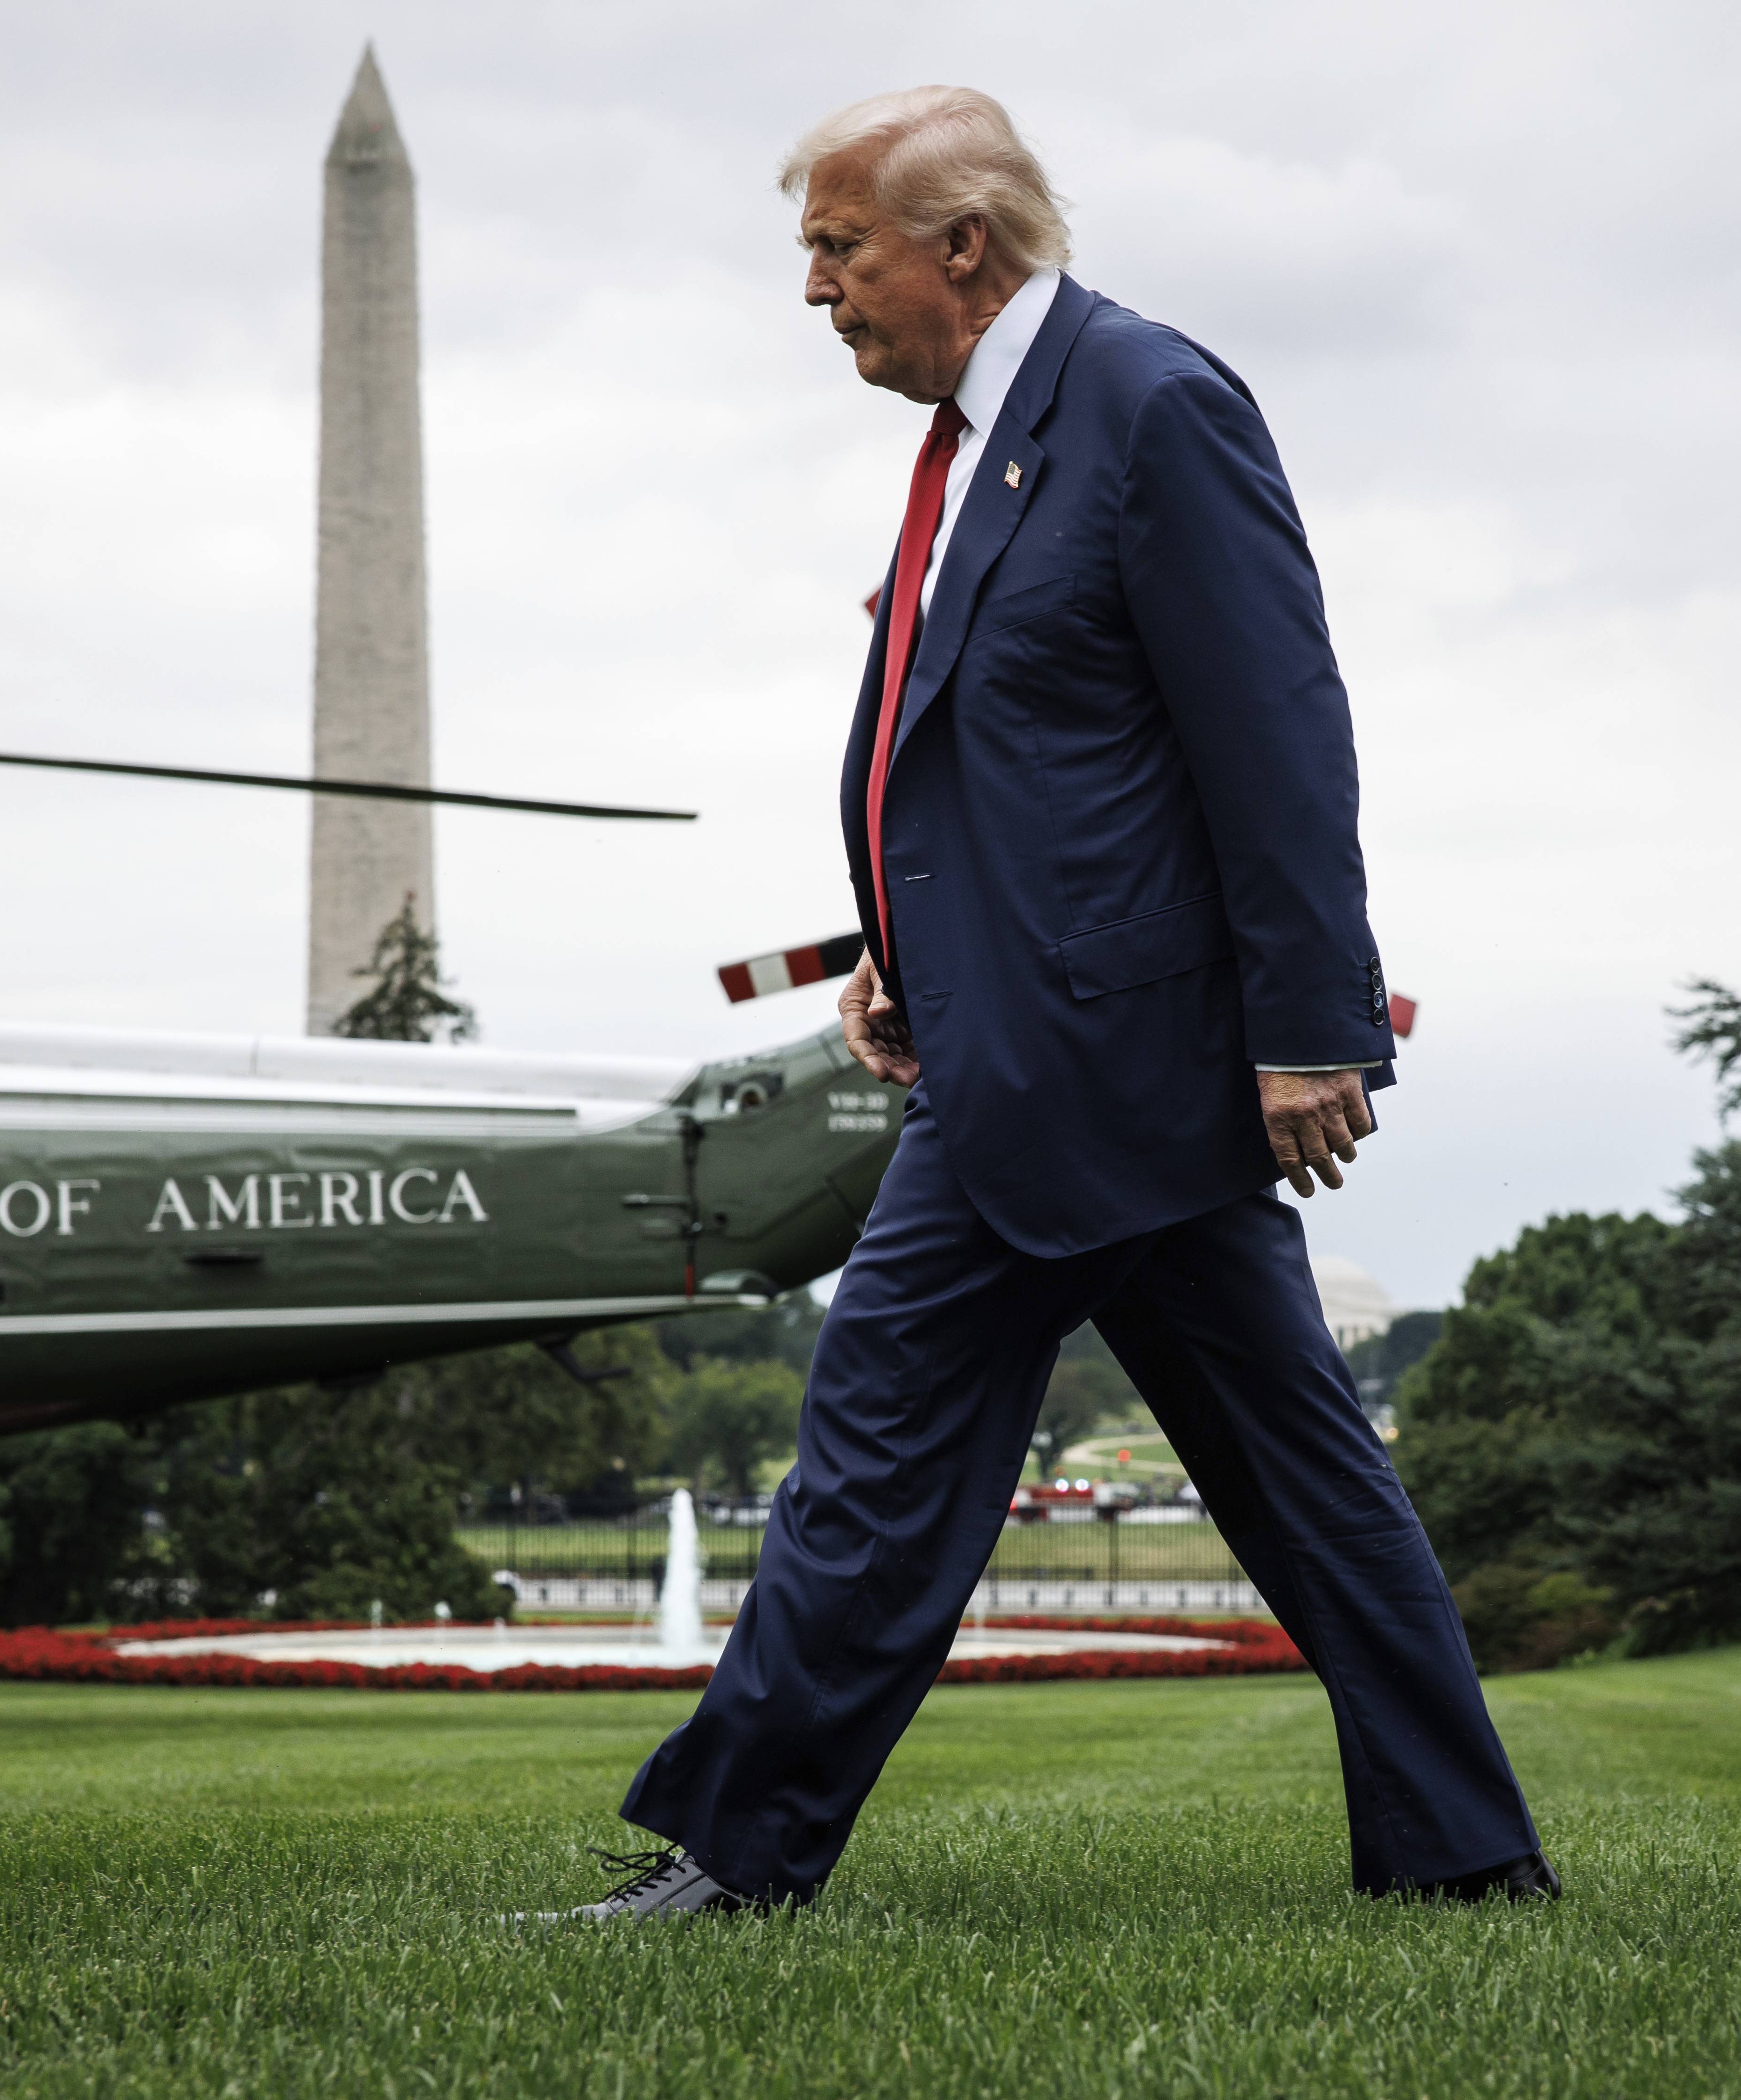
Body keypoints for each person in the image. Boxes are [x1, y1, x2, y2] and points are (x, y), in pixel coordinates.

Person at [539, 84, 1555, 1920]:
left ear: (961, 250)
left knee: (869, 1449)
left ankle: (740, 1865)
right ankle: (1466, 1863)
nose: (815, 292)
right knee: (1312, 1487)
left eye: (834, 249)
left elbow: (1274, 733)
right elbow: (1040, 768)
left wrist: (1314, 1028)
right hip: (1064, 1043)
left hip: (1079, 1071)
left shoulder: (1149, 407)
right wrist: (901, 957)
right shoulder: (983, 437)